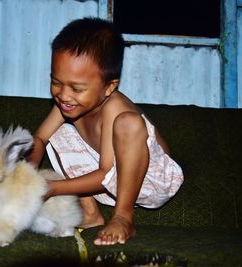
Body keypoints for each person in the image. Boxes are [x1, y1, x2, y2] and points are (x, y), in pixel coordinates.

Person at [28, 17, 184, 246]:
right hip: (110, 180)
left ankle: (123, 217)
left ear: (109, 87)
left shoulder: (114, 107)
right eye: (56, 82)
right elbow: (40, 138)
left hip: (153, 179)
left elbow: (105, 174)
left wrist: (52, 189)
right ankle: (91, 215)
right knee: (57, 135)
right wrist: (27, 172)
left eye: (77, 88)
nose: (63, 94)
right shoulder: (68, 106)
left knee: (128, 123)